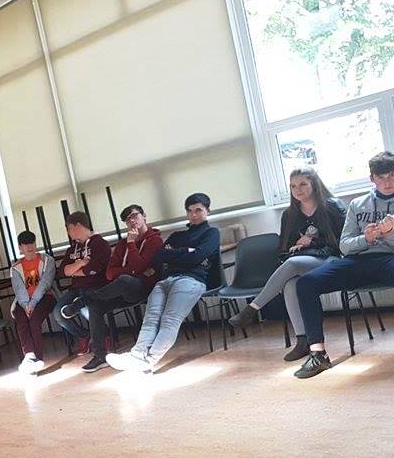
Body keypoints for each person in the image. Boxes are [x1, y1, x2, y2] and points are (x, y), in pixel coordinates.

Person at [293, 152, 394, 378]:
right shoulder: (358, 204)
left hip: (389, 259)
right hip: (357, 260)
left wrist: (389, 235)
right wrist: (366, 238)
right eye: (381, 177)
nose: (387, 182)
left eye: (392, 176)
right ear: (372, 179)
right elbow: (345, 246)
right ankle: (318, 354)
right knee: (306, 284)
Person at [227, 168, 345, 360]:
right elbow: (283, 248)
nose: (298, 190)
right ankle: (303, 341)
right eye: (293, 186)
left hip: (331, 259)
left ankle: (253, 308)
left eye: (303, 184)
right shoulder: (289, 214)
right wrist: (295, 245)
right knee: (291, 284)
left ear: (314, 184)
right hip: (304, 260)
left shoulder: (332, 206)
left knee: (292, 265)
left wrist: (312, 241)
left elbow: (342, 241)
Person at [107, 193, 220, 373]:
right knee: (150, 318)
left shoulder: (211, 233)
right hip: (165, 281)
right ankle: (137, 355)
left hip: (191, 280)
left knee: (169, 320)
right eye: (190, 211)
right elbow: (160, 256)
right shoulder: (177, 235)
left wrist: (177, 254)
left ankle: (149, 360)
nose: (193, 215)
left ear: (208, 211)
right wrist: (187, 251)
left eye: (198, 210)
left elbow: (198, 256)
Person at [78, 204, 164, 372]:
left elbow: (139, 266)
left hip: (145, 288)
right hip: (121, 291)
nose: (132, 221)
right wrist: (133, 270)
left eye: (135, 216)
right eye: (127, 219)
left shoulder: (155, 240)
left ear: (144, 216)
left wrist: (131, 245)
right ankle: (100, 356)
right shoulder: (121, 244)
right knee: (95, 306)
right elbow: (110, 274)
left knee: (124, 280)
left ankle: (84, 300)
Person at [53, 212, 111, 355]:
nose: (68, 232)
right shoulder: (72, 249)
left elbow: (94, 269)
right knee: (58, 313)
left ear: (78, 226)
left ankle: (103, 337)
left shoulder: (100, 244)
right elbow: (62, 272)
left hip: (95, 287)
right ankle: (84, 335)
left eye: (69, 228)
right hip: (76, 289)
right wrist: (80, 263)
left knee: (87, 309)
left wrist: (74, 271)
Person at [11, 230, 57, 374]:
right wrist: (25, 304)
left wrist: (33, 303)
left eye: (32, 243)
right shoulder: (15, 267)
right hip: (24, 301)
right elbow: (18, 288)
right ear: (20, 247)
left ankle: (38, 359)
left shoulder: (47, 260)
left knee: (34, 321)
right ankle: (29, 355)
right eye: (25, 244)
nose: (29, 247)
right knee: (21, 320)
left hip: (45, 297)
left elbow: (45, 283)